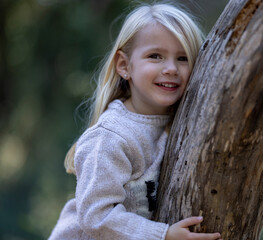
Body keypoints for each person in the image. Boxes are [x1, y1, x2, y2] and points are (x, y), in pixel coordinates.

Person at [49, 3, 222, 240]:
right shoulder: (111, 136)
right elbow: (96, 217)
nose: (171, 68)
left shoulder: (181, 121)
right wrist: (164, 235)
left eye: (183, 58)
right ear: (124, 66)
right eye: (155, 56)